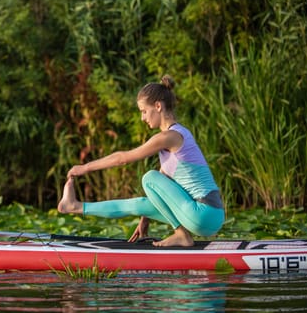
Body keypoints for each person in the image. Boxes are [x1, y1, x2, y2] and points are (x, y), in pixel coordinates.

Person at [57, 75, 225, 247]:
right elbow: (162, 186)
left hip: (204, 213)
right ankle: (75, 206)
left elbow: (122, 159)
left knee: (148, 178)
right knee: (139, 204)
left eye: (144, 111)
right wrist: (145, 219)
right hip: (205, 216)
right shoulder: (175, 136)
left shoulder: (170, 136)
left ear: (158, 106)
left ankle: (182, 234)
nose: (142, 118)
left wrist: (85, 167)